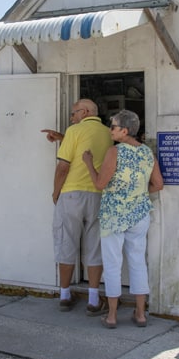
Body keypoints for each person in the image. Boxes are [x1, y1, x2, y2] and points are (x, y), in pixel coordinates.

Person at [82, 109, 164, 329]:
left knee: (112, 264)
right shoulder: (147, 153)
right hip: (139, 214)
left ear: (124, 131)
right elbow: (158, 184)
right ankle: (140, 314)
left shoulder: (114, 152)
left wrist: (88, 163)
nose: (110, 130)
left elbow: (100, 184)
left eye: (114, 127)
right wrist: (135, 191)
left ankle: (111, 316)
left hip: (114, 215)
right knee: (138, 262)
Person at [41, 99, 112, 315]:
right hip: (98, 195)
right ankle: (93, 298)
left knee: (66, 241)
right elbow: (88, 147)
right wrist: (64, 138)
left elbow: (63, 167)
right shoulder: (109, 133)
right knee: (95, 245)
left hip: (72, 194)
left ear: (86, 112)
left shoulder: (74, 130)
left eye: (74, 113)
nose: (71, 117)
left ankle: (64, 295)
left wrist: (55, 193)